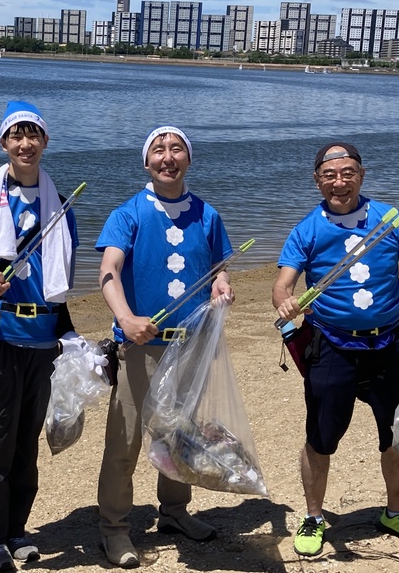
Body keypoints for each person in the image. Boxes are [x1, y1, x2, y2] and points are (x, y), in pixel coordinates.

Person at [273, 141, 399, 558]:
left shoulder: (391, 219)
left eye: (348, 173)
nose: (339, 182)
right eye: (330, 175)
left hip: (389, 344)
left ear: (361, 175)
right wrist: (286, 301)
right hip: (331, 346)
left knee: (397, 436)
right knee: (321, 438)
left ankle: (395, 514)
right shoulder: (306, 230)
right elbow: (282, 284)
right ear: (317, 181)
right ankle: (313, 517)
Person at [0, 101, 100, 573]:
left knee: (25, 444)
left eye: (32, 134)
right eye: (16, 136)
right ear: (3, 144)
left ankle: (17, 529)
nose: (24, 143)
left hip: (42, 343)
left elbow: (57, 288)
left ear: (45, 142)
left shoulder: (62, 207)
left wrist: (71, 336)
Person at [95, 125, 234, 569]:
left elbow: (219, 268)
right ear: (146, 162)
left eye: (177, 149)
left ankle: (174, 513)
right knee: (125, 442)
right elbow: (109, 270)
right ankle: (114, 529)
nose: (168, 156)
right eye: (159, 150)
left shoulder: (207, 215)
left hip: (192, 345)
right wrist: (125, 318)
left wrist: (222, 286)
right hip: (142, 348)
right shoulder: (128, 213)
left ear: (188, 160)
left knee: (181, 435)